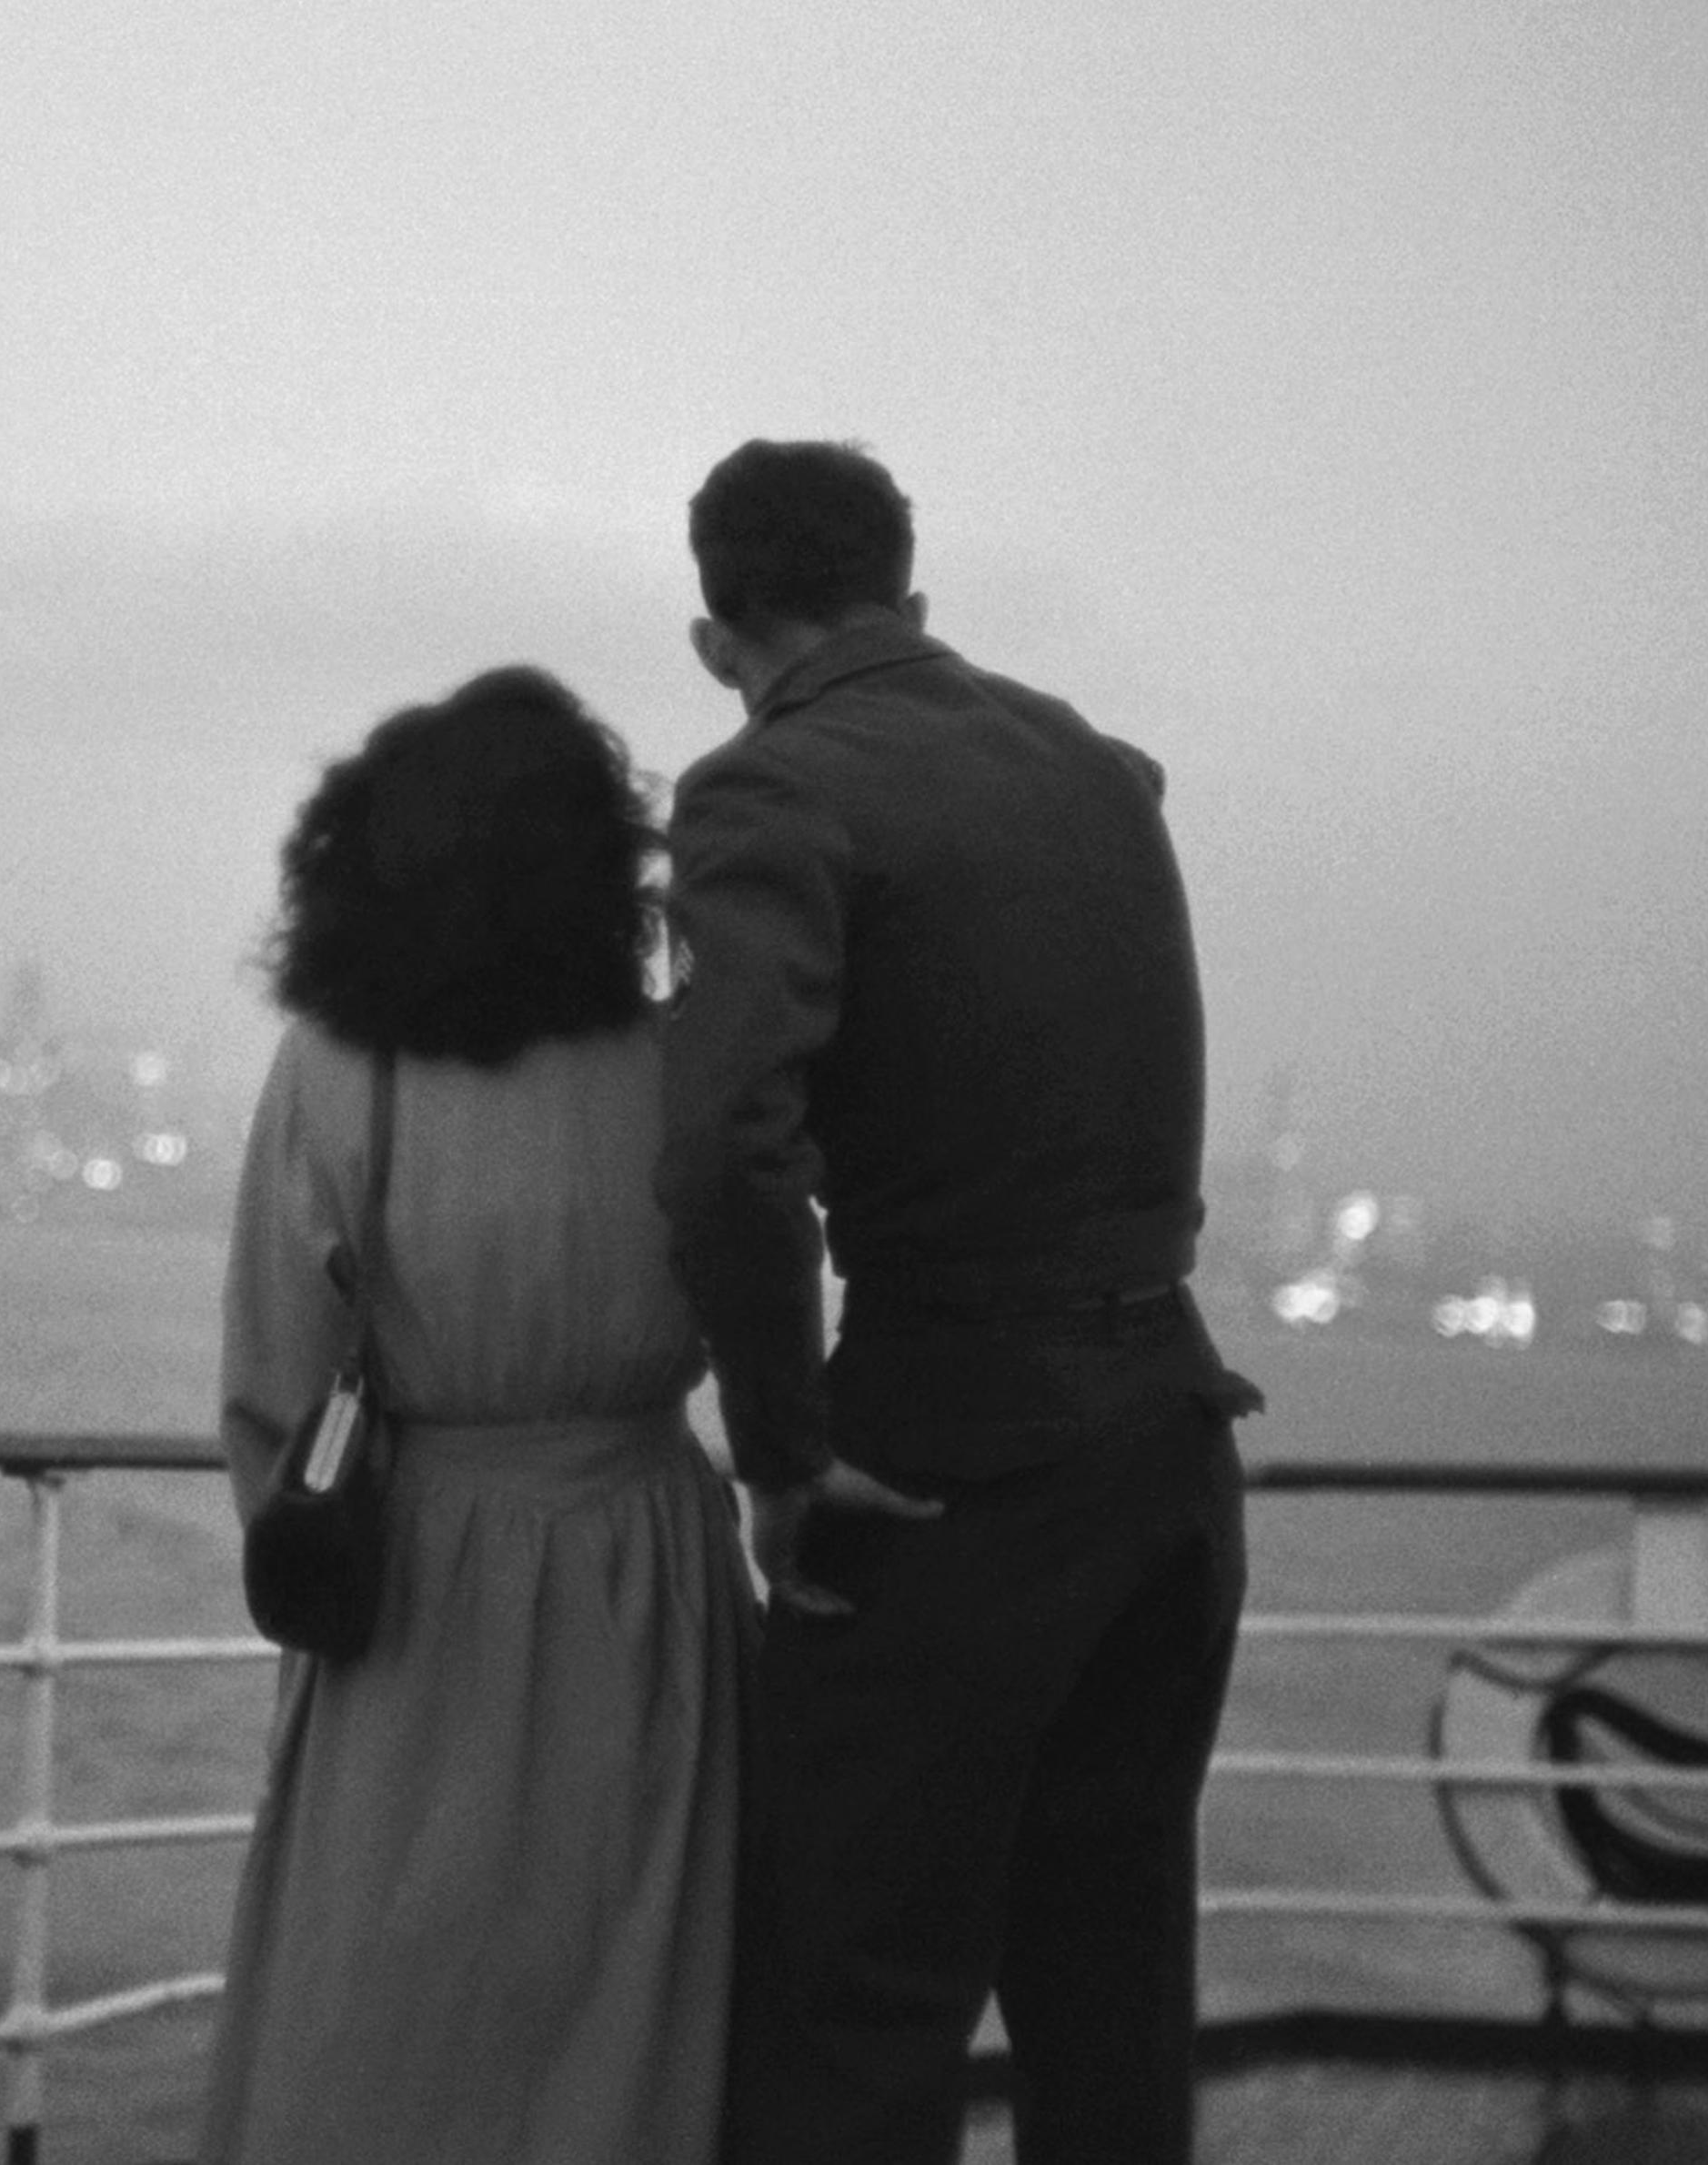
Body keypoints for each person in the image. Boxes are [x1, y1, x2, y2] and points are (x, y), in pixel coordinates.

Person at [654, 438, 1260, 2165]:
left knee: (856, 2009)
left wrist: (780, 1450)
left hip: (950, 1475)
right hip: (1170, 1452)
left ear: (716, 640)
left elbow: (720, 1144)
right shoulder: (1094, 766)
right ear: (913, 596)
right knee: (1113, 1994)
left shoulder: (771, 790)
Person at [203, 665, 755, 2165]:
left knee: (384, 1977)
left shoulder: (337, 1071)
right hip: (648, 1564)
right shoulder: (681, 1066)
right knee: (635, 1967)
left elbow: (272, 1380)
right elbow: (757, 1302)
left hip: (422, 1580)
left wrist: (302, 1539)